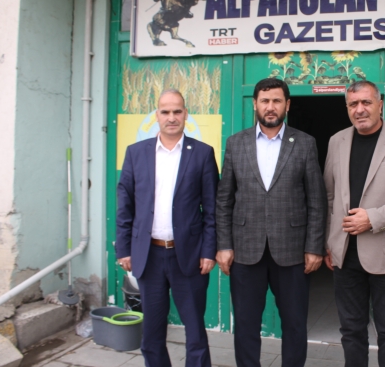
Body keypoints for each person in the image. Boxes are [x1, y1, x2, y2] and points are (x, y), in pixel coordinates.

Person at [215, 78, 327, 367]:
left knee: (294, 323)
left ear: (287, 105)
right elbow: (224, 199)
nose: (270, 106)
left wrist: (314, 247)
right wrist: (224, 245)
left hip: (292, 251)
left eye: (277, 101)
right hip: (245, 250)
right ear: (255, 104)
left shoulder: (304, 143)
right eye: (264, 101)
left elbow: (316, 200)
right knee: (245, 324)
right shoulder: (236, 143)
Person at [323, 80, 385, 367]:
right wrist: (329, 243)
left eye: (366, 102)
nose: (359, 109)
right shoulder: (336, 141)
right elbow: (330, 196)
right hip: (344, 254)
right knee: (351, 330)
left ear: (380, 105)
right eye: (353, 104)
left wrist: (372, 218)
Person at [116, 89, 219, 367]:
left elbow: (212, 209)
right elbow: (125, 205)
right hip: (148, 255)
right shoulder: (136, 153)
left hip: (189, 255)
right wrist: (124, 249)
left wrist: (209, 251)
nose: (171, 117)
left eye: (177, 111)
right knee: (151, 332)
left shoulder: (202, 153)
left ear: (185, 114)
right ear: (157, 115)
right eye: (165, 112)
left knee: (195, 329)